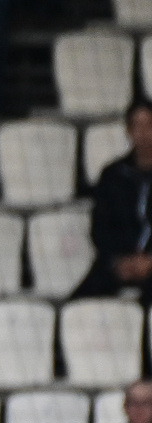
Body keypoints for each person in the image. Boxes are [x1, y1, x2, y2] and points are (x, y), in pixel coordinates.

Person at [75, 102, 152, 302]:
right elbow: (100, 227)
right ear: (129, 131)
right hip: (120, 263)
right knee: (79, 304)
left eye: (149, 125)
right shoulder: (113, 175)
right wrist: (118, 261)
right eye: (138, 126)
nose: (144, 133)